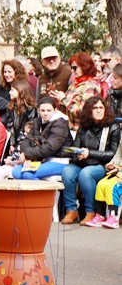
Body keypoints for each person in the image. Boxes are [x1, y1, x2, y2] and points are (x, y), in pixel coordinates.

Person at [59, 96, 120, 226]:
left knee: (86, 174)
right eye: (95, 108)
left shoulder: (112, 127)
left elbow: (113, 154)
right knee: (67, 171)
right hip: (83, 162)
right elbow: (76, 146)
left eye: (101, 108)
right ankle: (71, 210)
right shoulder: (84, 125)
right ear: (89, 110)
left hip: (103, 164)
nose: (98, 111)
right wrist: (78, 155)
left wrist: (90, 153)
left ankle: (91, 211)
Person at [10, 97, 72, 180]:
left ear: (55, 110)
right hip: (42, 159)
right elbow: (26, 140)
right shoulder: (37, 121)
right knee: (16, 172)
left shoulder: (60, 124)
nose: (45, 113)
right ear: (38, 110)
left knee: (28, 174)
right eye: (43, 110)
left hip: (59, 160)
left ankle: (46, 193)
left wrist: (27, 155)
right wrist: (27, 157)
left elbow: (49, 148)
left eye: (49, 110)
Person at [55, 52, 102, 117]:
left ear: (84, 67)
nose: (72, 71)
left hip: (83, 126)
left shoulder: (91, 87)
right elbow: (66, 108)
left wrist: (63, 99)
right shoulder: (73, 85)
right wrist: (57, 97)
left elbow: (82, 112)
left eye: (74, 68)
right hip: (69, 125)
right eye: (71, 68)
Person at [91, 142, 122, 229]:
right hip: (119, 172)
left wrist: (118, 168)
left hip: (120, 172)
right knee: (101, 184)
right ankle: (100, 215)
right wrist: (112, 164)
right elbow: (118, 156)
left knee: (112, 186)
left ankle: (114, 217)